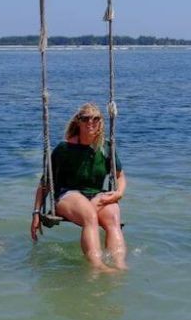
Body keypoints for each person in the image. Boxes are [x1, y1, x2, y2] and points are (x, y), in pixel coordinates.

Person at [31, 103, 128, 270]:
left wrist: (118, 193)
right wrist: (36, 213)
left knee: (113, 215)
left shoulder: (106, 147)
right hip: (68, 195)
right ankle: (98, 266)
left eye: (95, 118)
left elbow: (120, 176)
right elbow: (45, 183)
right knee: (89, 215)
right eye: (85, 119)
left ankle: (120, 265)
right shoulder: (64, 149)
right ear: (78, 122)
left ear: (101, 122)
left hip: (96, 194)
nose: (91, 122)